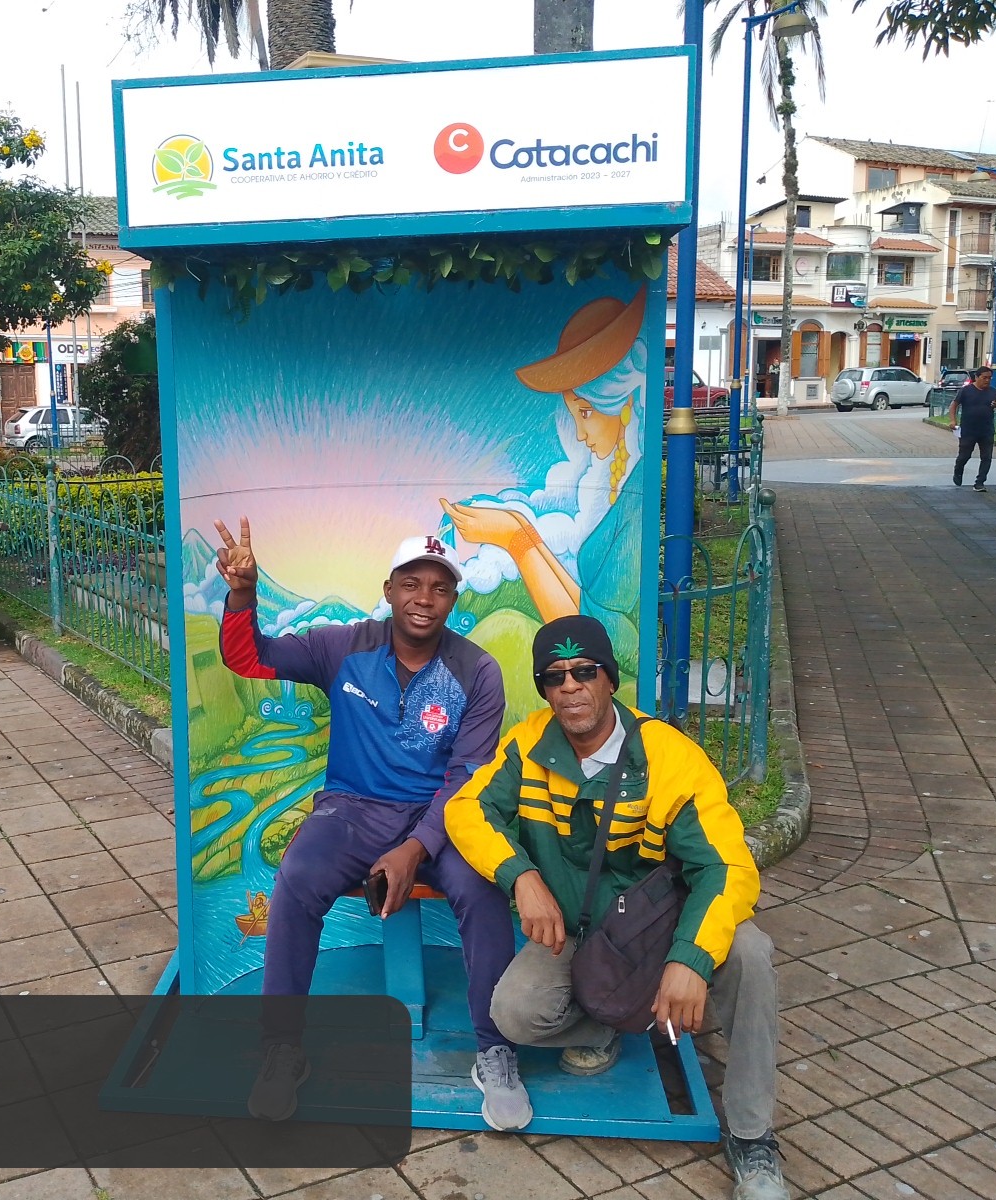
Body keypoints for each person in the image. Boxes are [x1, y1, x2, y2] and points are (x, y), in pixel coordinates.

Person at [445, 616, 785, 1200]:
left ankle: (753, 1136)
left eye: (584, 672)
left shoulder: (669, 756)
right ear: (544, 689)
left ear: (609, 679)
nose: (570, 687)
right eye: (555, 677)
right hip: (580, 929)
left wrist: (690, 960)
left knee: (750, 952)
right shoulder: (528, 744)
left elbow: (725, 868)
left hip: (659, 925)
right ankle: (611, 1023)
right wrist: (521, 876)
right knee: (515, 1013)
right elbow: (467, 808)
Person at [213, 518, 527, 1129]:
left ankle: (495, 1050)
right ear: (388, 590)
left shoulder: (477, 671)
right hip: (351, 809)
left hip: (443, 815)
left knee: (481, 887)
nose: (424, 598)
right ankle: (282, 1048)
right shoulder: (343, 647)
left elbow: (466, 779)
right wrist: (243, 594)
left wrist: (416, 847)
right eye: (411, 584)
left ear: (453, 599)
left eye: (439, 587)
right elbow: (250, 658)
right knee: (297, 878)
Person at [441, 288, 647, 693]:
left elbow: (603, 638)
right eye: (575, 416)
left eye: (586, 413)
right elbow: (588, 613)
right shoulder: (624, 483)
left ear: (621, 400)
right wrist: (518, 528)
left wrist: (515, 540)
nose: (581, 433)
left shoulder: (635, 499)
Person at [950, 365, 996, 492]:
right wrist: (953, 420)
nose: (987, 380)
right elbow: (954, 405)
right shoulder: (966, 391)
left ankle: (980, 482)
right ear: (976, 377)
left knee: (986, 457)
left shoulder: (993, 392)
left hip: (987, 430)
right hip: (968, 430)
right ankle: (958, 470)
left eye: (989, 378)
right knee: (964, 456)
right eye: (984, 378)